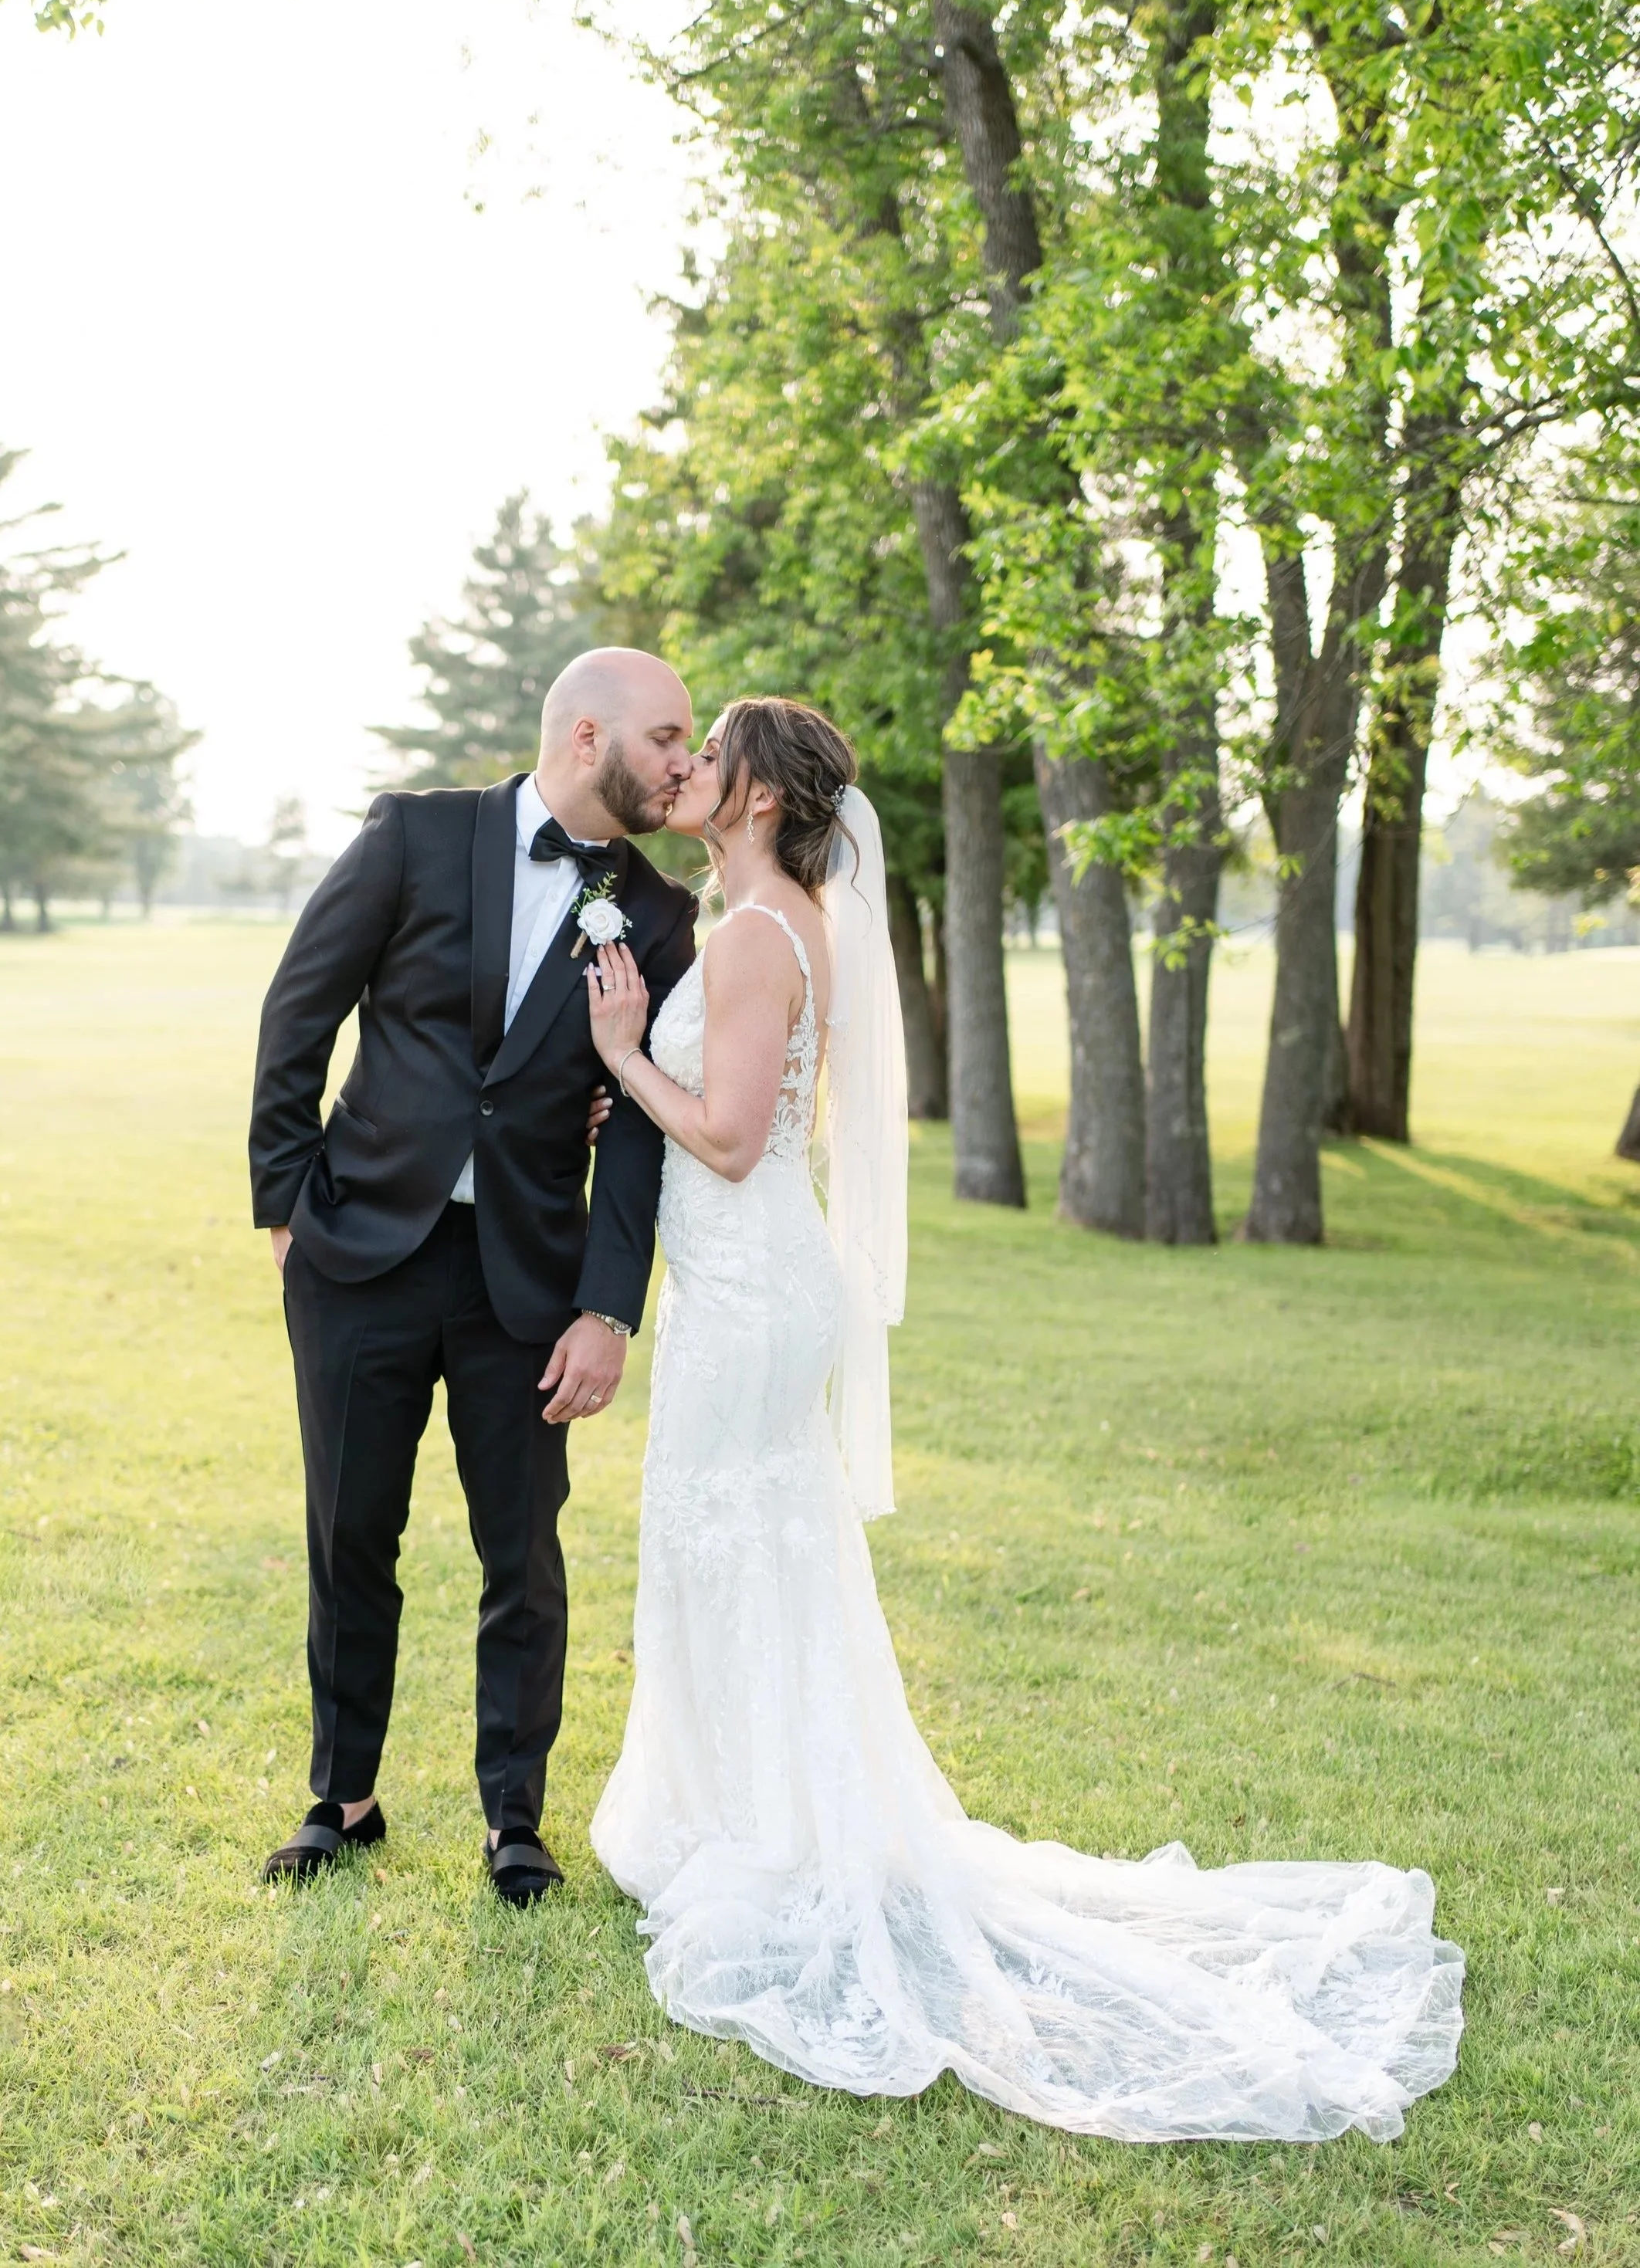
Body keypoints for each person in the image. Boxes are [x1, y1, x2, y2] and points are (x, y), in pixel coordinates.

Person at [582, 694, 1465, 2141]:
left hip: (745, 1288)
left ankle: (769, 1837)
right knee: (751, 1543)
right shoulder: (782, 917)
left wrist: (628, 1056)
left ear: (755, 797)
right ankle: (746, 1808)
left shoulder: (753, 935)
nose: (685, 769)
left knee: (730, 1537)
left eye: (709, 753)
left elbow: (736, 1139)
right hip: (751, 1281)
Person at [248, 649, 699, 1904]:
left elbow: (646, 1128)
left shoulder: (660, 915)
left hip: (531, 1286)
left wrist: (609, 1307)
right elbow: (301, 1009)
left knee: (523, 1552)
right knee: (348, 1534)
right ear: (587, 733)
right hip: (358, 1256)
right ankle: (343, 1797)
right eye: (667, 737)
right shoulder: (415, 836)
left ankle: (516, 1817)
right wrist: (284, 1203)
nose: (684, 761)